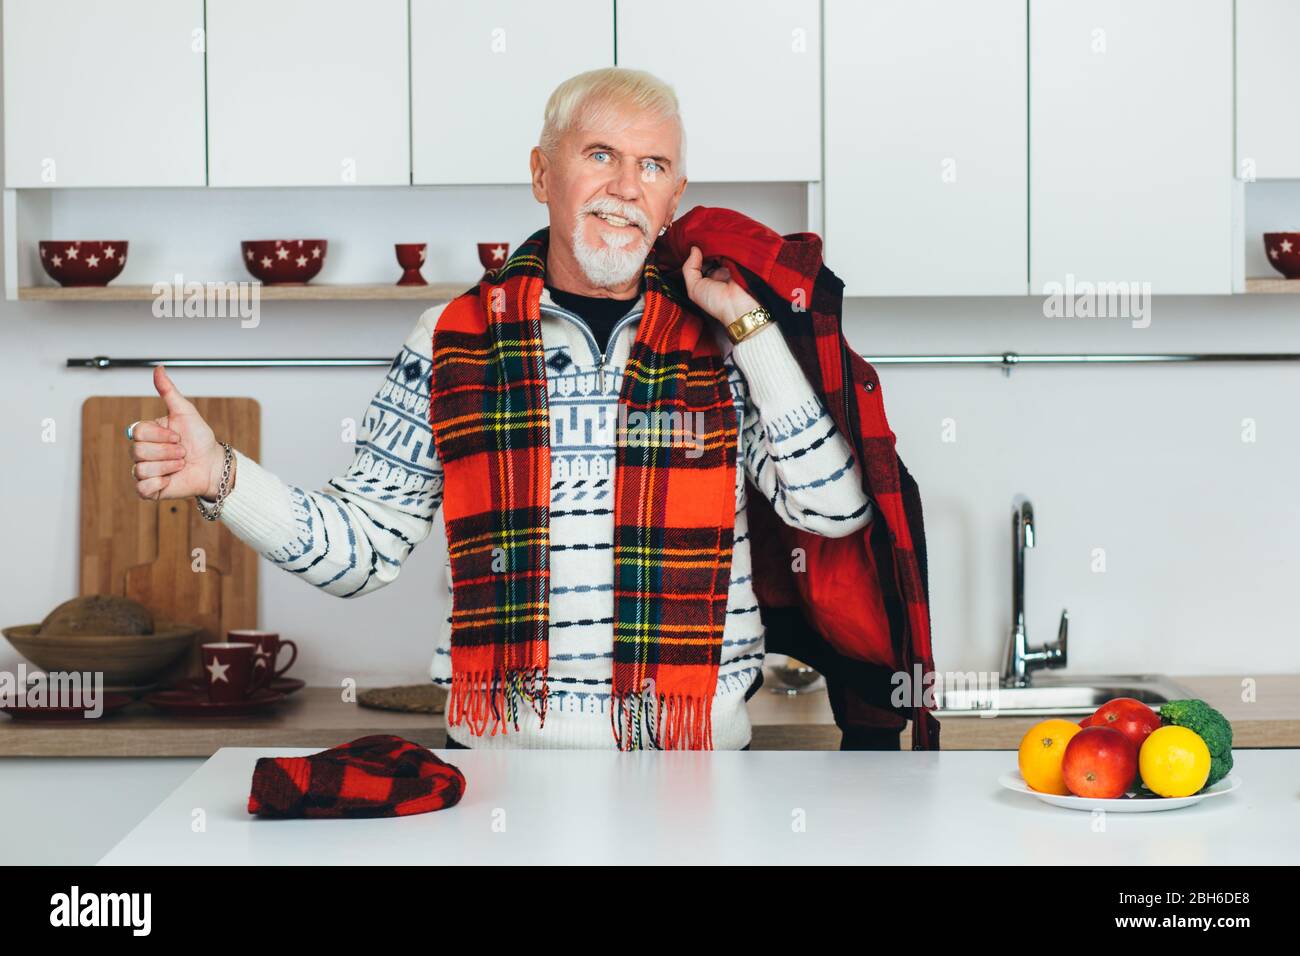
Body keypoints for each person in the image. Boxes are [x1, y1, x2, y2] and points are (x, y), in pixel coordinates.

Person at [126, 67, 873, 750]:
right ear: (542, 173)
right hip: (502, 776)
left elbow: (833, 513)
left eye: (653, 165)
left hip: (696, 768)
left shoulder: (727, 336)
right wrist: (222, 476)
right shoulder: (450, 339)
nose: (625, 186)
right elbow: (362, 548)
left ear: (675, 196)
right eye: (600, 155)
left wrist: (751, 327)